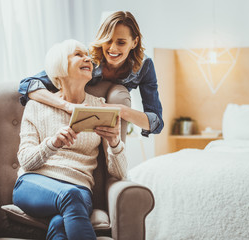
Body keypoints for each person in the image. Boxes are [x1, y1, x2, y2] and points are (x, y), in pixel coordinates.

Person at [12, 39, 127, 240]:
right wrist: (52, 143)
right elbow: (26, 161)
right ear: (60, 66)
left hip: (79, 188)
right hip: (33, 184)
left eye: (88, 55)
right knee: (69, 197)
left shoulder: (99, 107)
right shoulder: (36, 106)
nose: (87, 58)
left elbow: (120, 173)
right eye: (78, 54)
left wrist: (115, 143)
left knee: (59, 223)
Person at [19, 11, 163, 137]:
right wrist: (66, 106)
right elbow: (28, 84)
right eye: (108, 40)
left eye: (121, 42)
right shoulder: (86, 59)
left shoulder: (145, 66)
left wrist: (121, 110)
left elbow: (156, 123)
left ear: (134, 42)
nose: (112, 48)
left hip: (105, 128)